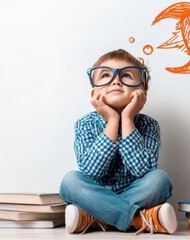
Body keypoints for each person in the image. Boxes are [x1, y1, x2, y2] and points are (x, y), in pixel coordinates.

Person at [59, 49, 177, 235]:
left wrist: (127, 119)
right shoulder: (85, 124)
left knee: (160, 179)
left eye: (126, 76)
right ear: (95, 92)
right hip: (95, 191)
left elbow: (144, 170)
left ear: (142, 92)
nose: (115, 80)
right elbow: (91, 171)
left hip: (137, 192)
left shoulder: (149, 125)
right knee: (70, 181)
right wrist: (113, 121)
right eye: (106, 75)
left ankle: (94, 217)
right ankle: (138, 219)